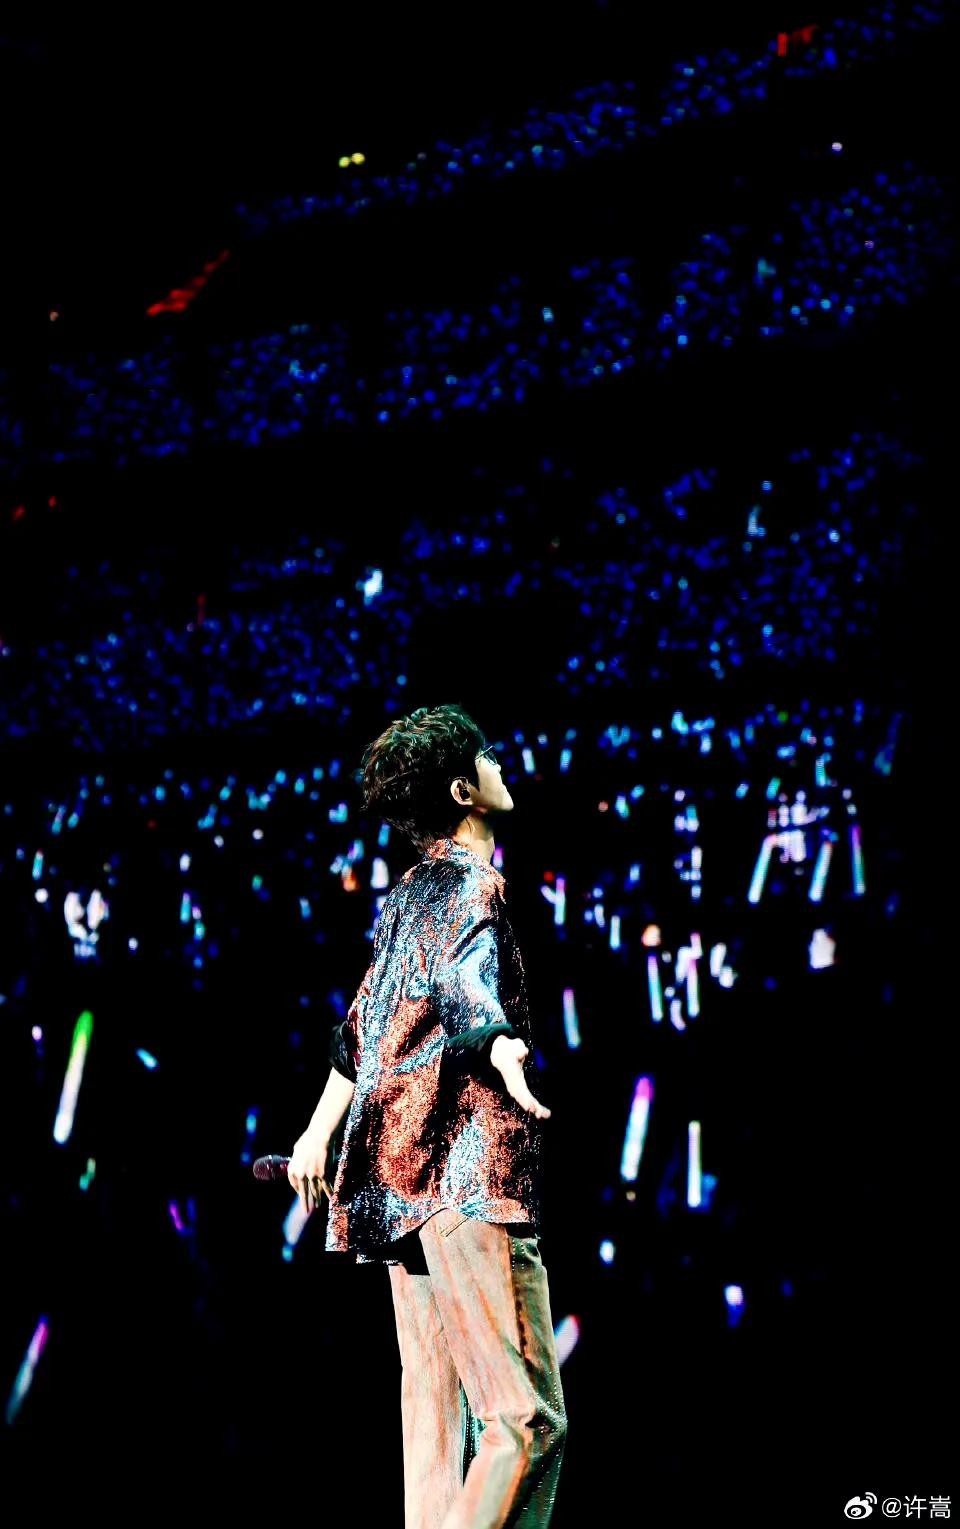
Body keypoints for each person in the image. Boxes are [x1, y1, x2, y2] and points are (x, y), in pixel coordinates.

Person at [287, 703, 567, 1528]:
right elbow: (465, 981)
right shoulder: (472, 884)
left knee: (437, 1429)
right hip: (467, 1178)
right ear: (462, 790)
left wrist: (316, 1131)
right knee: (524, 1420)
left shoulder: (408, 895)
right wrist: (499, 1043)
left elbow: (363, 1029)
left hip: (399, 1191)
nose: (502, 764)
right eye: (489, 756)